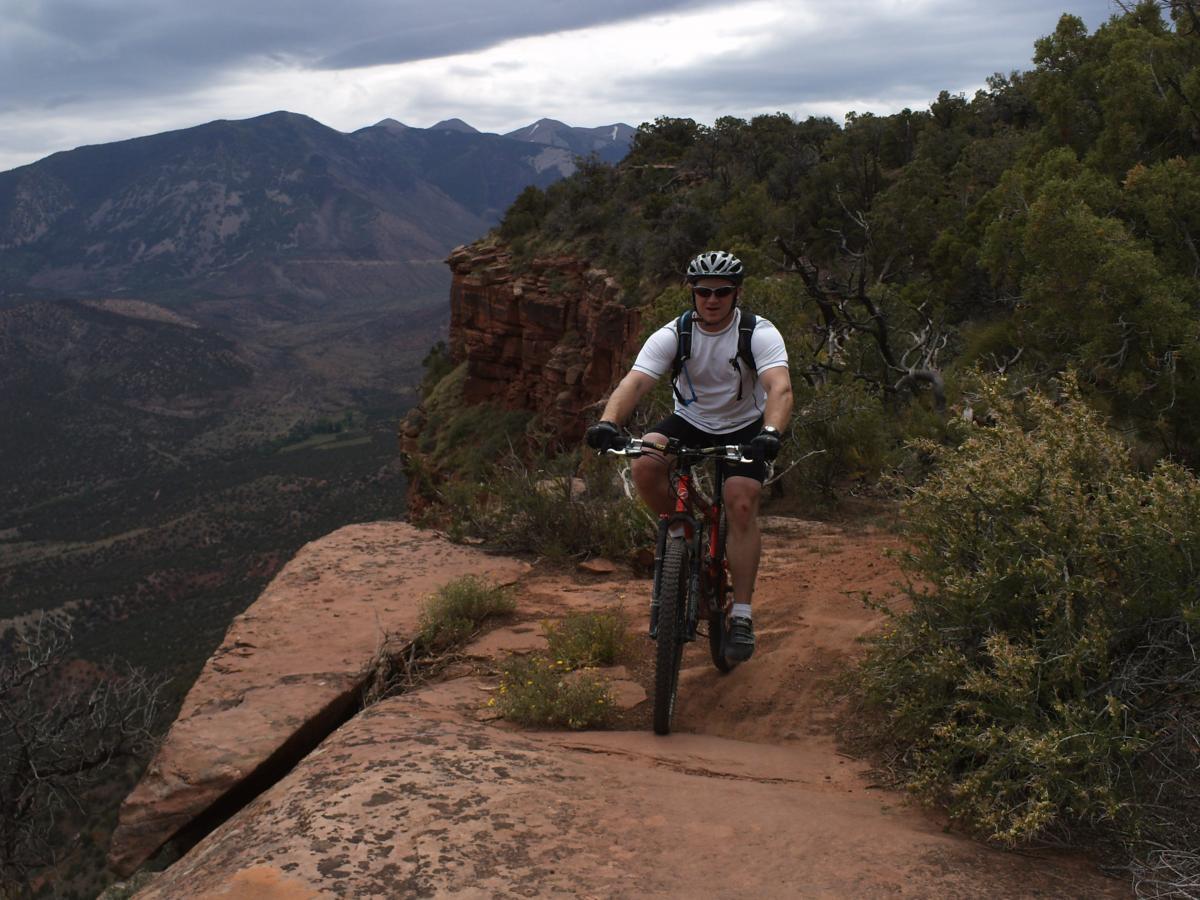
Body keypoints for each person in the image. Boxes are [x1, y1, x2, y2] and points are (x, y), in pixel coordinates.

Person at [585, 250, 793, 662]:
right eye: (703, 292)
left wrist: (771, 433)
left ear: (736, 293)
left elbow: (779, 388)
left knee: (741, 502)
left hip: (746, 426)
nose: (711, 300)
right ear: (692, 293)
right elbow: (636, 382)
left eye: (721, 292)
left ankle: (743, 616)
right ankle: (688, 540)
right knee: (645, 464)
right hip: (691, 421)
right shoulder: (674, 334)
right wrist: (609, 422)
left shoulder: (758, 332)